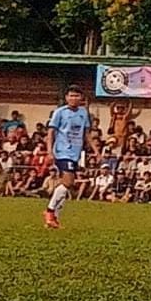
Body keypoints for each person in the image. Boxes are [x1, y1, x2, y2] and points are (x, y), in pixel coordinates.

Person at [44, 86, 95, 229]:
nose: (74, 98)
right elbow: (51, 133)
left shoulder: (83, 113)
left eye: (77, 96)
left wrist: (96, 151)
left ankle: (54, 219)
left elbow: (86, 134)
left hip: (75, 152)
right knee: (68, 182)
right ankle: (49, 211)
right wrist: (49, 151)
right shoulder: (59, 112)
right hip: (62, 151)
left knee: (65, 185)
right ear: (66, 97)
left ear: (81, 98)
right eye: (71, 96)